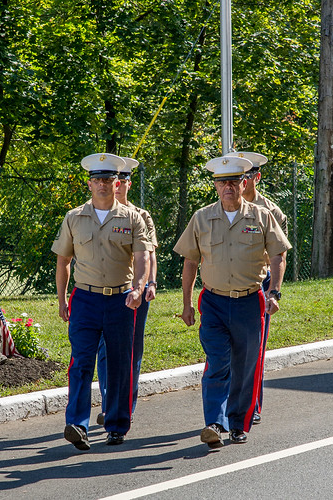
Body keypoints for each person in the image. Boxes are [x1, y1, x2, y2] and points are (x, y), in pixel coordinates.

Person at [173, 156, 291, 448]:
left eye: (234, 182)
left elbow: (278, 256)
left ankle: (238, 423)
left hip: (249, 302)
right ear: (215, 186)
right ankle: (214, 421)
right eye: (222, 182)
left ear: (244, 183)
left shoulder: (262, 217)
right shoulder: (201, 218)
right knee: (217, 361)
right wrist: (187, 303)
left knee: (245, 365)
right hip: (212, 302)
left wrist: (273, 292)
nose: (228, 187)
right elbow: (190, 261)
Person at [51, 153, 151, 450]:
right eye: (98, 180)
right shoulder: (74, 217)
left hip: (121, 299)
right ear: (89, 184)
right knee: (81, 362)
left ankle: (117, 425)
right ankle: (77, 424)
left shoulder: (132, 217)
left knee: (121, 364)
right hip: (85, 299)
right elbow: (63, 261)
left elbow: (143, 256)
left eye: (108, 179)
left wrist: (139, 288)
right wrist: (61, 300)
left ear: (117, 182)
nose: (103, 184)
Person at [226, 151, 288, 425]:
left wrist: (273, 290)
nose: (240, 181)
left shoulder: (272, 212)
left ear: (256, 177)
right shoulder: (224, 205)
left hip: (258, 282)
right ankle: (226, 405)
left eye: (246, 176)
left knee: (254, 348)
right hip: (227, 284)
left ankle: (254, 403)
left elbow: (278, 255)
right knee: (224, 350)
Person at [96, 157, 158, 425]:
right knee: (103, 350)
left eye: (120, 182)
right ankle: (110, 402)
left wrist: (150, 283)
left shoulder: (140, 216)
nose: (116, 187)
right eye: (112, 181)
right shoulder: (96, 213)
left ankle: (126, 404)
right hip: (101, 293)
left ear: (127, 184)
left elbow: (149, 255)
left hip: (133, 292)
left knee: (131, 349)